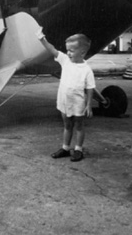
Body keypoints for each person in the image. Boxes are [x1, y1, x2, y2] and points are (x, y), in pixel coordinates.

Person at [36, 28, 107, 162]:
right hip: (64, 101)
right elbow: (52, 49)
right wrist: (41, 38)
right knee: (67, 125)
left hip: (78, 103)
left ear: (82, 52)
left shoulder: (86, 70)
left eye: (71, 51)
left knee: (79, 126)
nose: (68, 53)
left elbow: (90, 88)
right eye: (67, 50)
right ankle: (65, 148)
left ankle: (78, 149)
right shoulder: (65, 60)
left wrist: (89, 106)